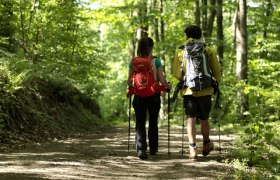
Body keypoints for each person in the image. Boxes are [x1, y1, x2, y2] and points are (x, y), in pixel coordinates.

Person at [172, 25, 221, 161]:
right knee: (204, 117)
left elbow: (177, 74)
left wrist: (185, 80)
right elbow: (217, 73)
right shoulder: (208, 50)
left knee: (191, 118)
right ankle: (206, 143)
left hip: (189, 90)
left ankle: (193, 149)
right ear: (200, 36)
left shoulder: (180, 51)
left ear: (187, 36)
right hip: (206, 90)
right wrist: (214, 82)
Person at [127, 37, 171, 159]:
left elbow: (129, 81)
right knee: (153, 121)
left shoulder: (133, 62)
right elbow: (161, 79)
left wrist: (134, 85)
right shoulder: (156, 61)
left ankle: (141, 149)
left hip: (139, 96)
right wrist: (167, 86)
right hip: (153, 95)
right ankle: (153, 148)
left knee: (140, 122)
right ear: (151, 48)